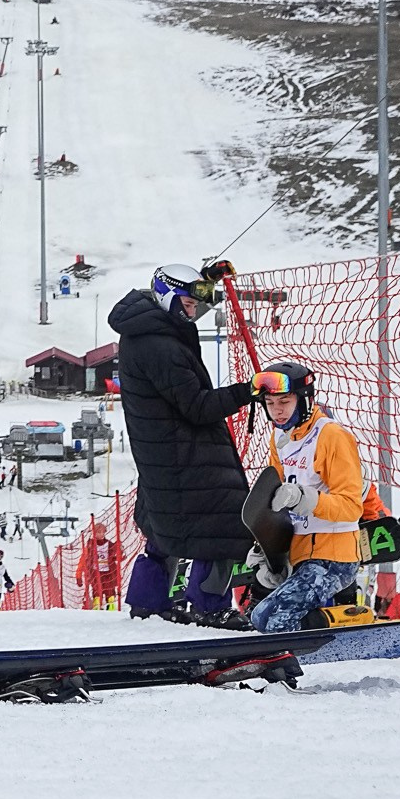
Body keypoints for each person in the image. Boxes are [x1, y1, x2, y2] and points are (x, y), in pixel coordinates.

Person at [111, 263, 257, 625]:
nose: (193, 312)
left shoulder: (147, 327)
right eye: (188, 304)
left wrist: (206, 280)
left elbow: (183, 295)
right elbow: (197, 405)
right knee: (220, 526)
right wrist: (248, 390)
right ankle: (212, 608)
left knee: (167, 527)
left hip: (164, 452)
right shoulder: (160, 346)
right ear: (167, 297)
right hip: (185, 452)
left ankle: (148, 603)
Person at [243, 363, 371, 632]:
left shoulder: (331, 436)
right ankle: (330, 625)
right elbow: (275, 506)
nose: (276, 410)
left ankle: (346, 623)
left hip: (335, 558)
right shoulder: (280, 437)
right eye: (269, 402)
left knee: (278, 622)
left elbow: (351, 507)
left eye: (284, 401)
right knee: (259, 617)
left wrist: (306, 498)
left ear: (305, 400)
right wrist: (268, 553)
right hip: (302, 555)